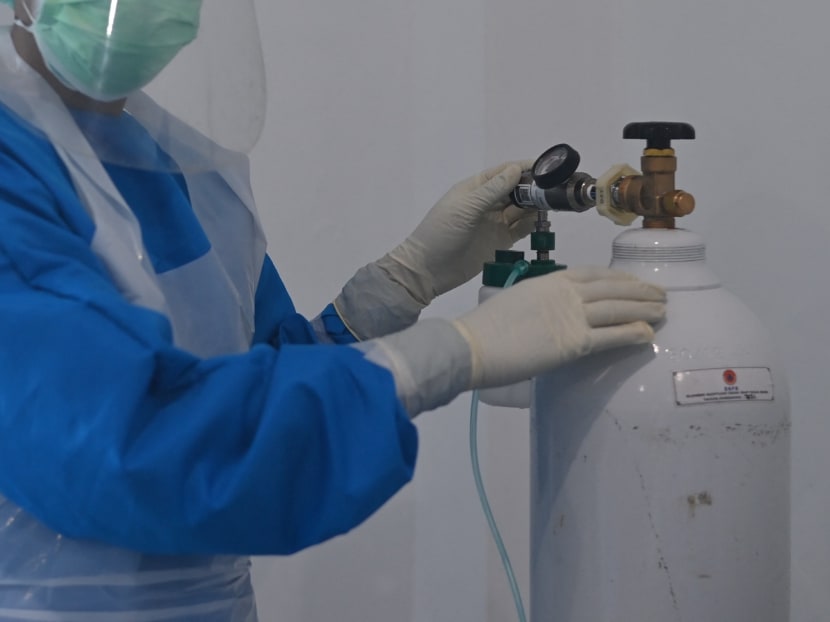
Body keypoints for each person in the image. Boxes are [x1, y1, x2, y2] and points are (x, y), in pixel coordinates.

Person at [0, 0, 666, 620]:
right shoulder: (12, 170)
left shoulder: (179, 165)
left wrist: (399, 284)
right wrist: (448, 353)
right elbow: (132, 445)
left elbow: (248, 383)